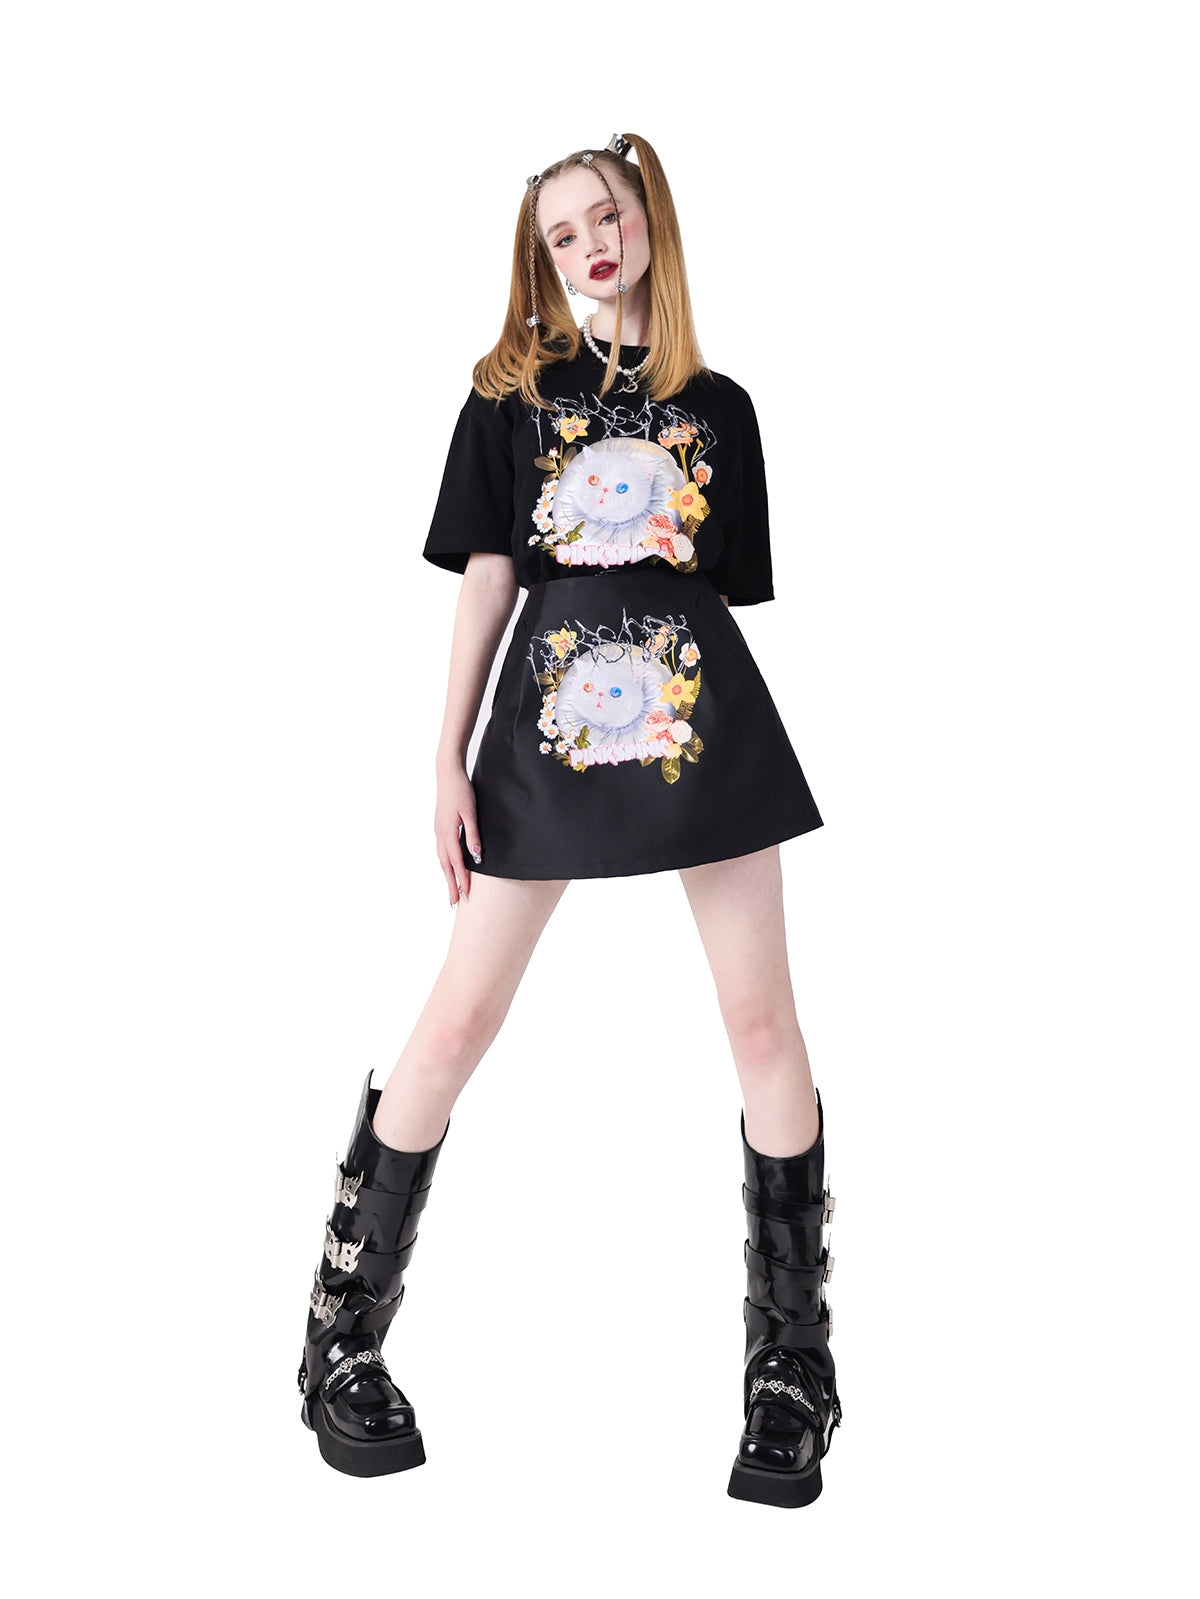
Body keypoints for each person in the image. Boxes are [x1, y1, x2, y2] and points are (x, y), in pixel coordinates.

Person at [297, 132, 842, 1508]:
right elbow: (489, 581)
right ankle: (339, 1335)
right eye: (562, 234)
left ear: (650, 217)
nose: (591, 245)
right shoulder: (509, 396)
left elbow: (709, 585)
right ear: (541, 262)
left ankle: (794, 1367)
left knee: (762, 1024)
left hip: (697, 716)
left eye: (607, 216)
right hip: (545, 727)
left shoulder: (723, 407)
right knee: (456, 1022)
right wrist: (444, 759)